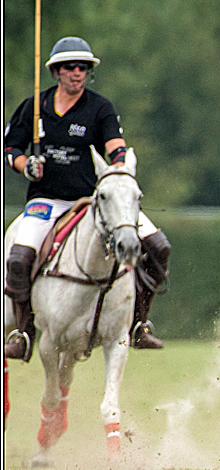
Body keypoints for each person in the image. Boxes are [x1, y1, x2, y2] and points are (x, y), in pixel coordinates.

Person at [3, 36, 170, 361]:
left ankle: (139, 324)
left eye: (82, 67)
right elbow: (10, 148)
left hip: (94, 202)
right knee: (20, 258)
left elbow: (115, 146)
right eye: (70, 67)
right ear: (56, 71)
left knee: (159, 247)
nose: (77, 72)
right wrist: (27, 166)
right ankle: (23, 332)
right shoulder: (34, 107)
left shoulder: (100, 108)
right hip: (47, 201)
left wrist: (119, 167)